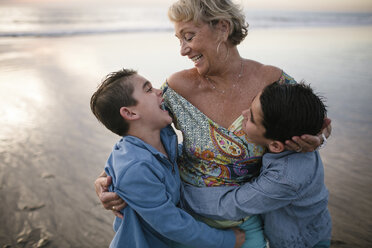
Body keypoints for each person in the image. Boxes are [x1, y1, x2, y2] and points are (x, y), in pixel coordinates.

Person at [94, 0, 332, 245]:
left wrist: (318, 137)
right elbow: (139, 132)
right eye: (179, 39)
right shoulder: (176, 89)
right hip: (186, 216)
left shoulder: (273, 82)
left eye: (189, 36)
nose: (183, 50)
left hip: (247, 216)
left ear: (223, 28)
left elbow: (314, 120)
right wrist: (107, 178)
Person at [90, 68, 245, 248]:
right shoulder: (135, 167)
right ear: (130, 113)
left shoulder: (162, 138)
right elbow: (174, 225)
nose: (159, 91)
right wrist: (226, 240)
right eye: (148, 89)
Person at [181, 82, 332, 248]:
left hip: (301, 241)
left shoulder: (284, 179)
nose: (243, 113)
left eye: (252, 118)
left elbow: (232, 205)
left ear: (275, 146)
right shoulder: (299, 132)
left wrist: (181, 190)